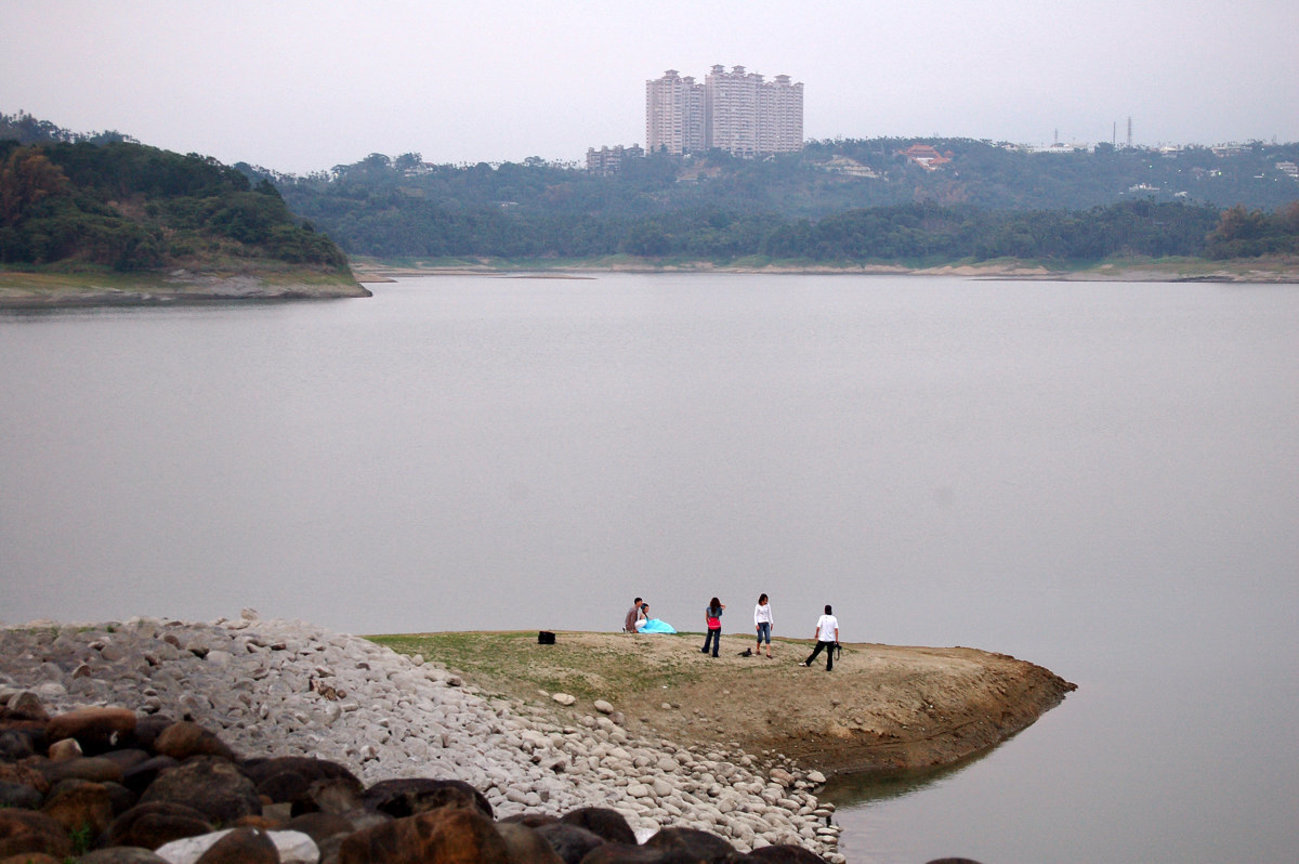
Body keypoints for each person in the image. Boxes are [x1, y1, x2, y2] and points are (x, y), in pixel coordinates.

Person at [801, 604, 839, 671]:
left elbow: (818, 627)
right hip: (831, 639)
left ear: (825, 610)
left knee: (816, 652)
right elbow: (836, 630)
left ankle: (807, 663)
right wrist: (836, 640)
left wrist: (816, 634)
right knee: (830, 654)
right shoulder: (834, 618)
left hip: (822, 638)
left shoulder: (822, 617)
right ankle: (829, 668)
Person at [754, 593, 774, 658]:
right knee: (760, 638)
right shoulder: (757, 606)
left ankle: (768, 653)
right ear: (761, 600)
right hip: (760, 623)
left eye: (766, 600)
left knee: (768, 638)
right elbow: (755, 615)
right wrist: (756, 624)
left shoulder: (768, 605)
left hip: (766, 623)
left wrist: (772, 622)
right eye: (765, 600)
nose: (766, 602)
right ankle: (757, 649)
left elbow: (770, 614)